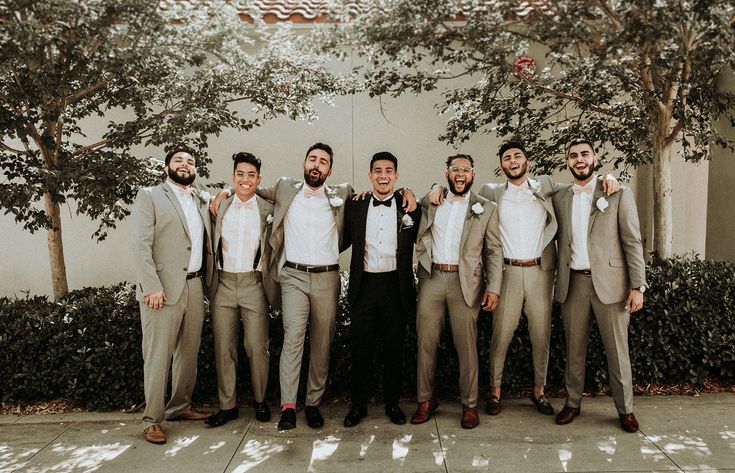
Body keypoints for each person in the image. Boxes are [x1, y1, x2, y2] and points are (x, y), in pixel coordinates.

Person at [210, 143, 416, 430]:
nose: (316, 165)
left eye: (323, 162)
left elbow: (382, 189)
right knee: (293, 337)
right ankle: (288, 407)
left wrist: (407, 190)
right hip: (293, 275)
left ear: (329, 170)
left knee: (322, 341)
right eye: (312, 159)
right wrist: (225, 192)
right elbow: (249, 188)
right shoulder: (284, 187)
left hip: (327, 277)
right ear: (304, 163)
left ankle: (314, 404)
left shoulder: (343, 194)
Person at [429, 142, 619, 417]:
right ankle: (494, 391)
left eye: (518, 156)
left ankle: (539, 391)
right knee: (501, 335)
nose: (513, 160)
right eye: (507, 157)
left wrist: (607, 177)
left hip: (540, 273)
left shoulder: (546, 186)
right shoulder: (489, 192)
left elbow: (581, 183)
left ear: (527, 162)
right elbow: (461, 196)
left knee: (540, 335)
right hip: (506, 274)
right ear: (502, 165)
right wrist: (437, 186)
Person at [552, 139, 646, 433]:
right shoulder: (560, 196)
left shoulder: (617, 192)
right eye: (573, 156)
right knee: (574, 348)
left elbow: (632, 241)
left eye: (584, 154)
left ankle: (625, 409)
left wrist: (637, 286)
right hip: (573, 283)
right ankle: (572, 402)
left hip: (612, 284)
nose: (579, 159)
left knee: (617, 351)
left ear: (595, 158)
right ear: (567, 162)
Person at [129, 144, 214, 445]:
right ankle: (152, 419)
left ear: (195, 170)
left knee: (188, 353)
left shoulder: (200, 198)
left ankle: (180, 406)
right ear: (167, 168)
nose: (185, 165)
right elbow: (140, 244)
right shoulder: (150, 196)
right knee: (157, 356)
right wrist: (151, 286)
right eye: (178, 160)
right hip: (161, 289)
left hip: (194, 286)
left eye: (190, 161)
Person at [411, 154, 502, 429]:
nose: (460, 174)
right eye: (455, 169)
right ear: (446, 173)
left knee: (467, 346)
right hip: (432, 278)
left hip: (468, 284)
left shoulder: (486, 208)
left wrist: (494, 288)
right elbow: (411, 199)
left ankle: (470, 404)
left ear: (473, 175)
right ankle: (426, 400)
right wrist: (429, 190)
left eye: (465, 170)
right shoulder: (432, 201)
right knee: (425, 342)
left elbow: (493, 251)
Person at [341, 152, 421, 427]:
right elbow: (341, 239)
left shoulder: (411, 206)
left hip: (394, 285)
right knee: (361, 350)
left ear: (396, 176)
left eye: (389, 171)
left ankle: (392, 404)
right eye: (377, 170)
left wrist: (409, 191)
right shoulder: (355, 205)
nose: (383, 175)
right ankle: (358, 405)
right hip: (364, 285)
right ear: (370, 175)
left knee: (393, 350)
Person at [205, 152, 278, 427]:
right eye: (240, 174)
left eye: (251, 175)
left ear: (258, 179)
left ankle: (260, 401)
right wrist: (221, 193)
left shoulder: (267, 209)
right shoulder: (219, 206)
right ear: (233, 176)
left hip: (254, 283)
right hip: (222, 283)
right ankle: (228, 405)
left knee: (257, 346)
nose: (245, 179)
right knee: (224, 348)